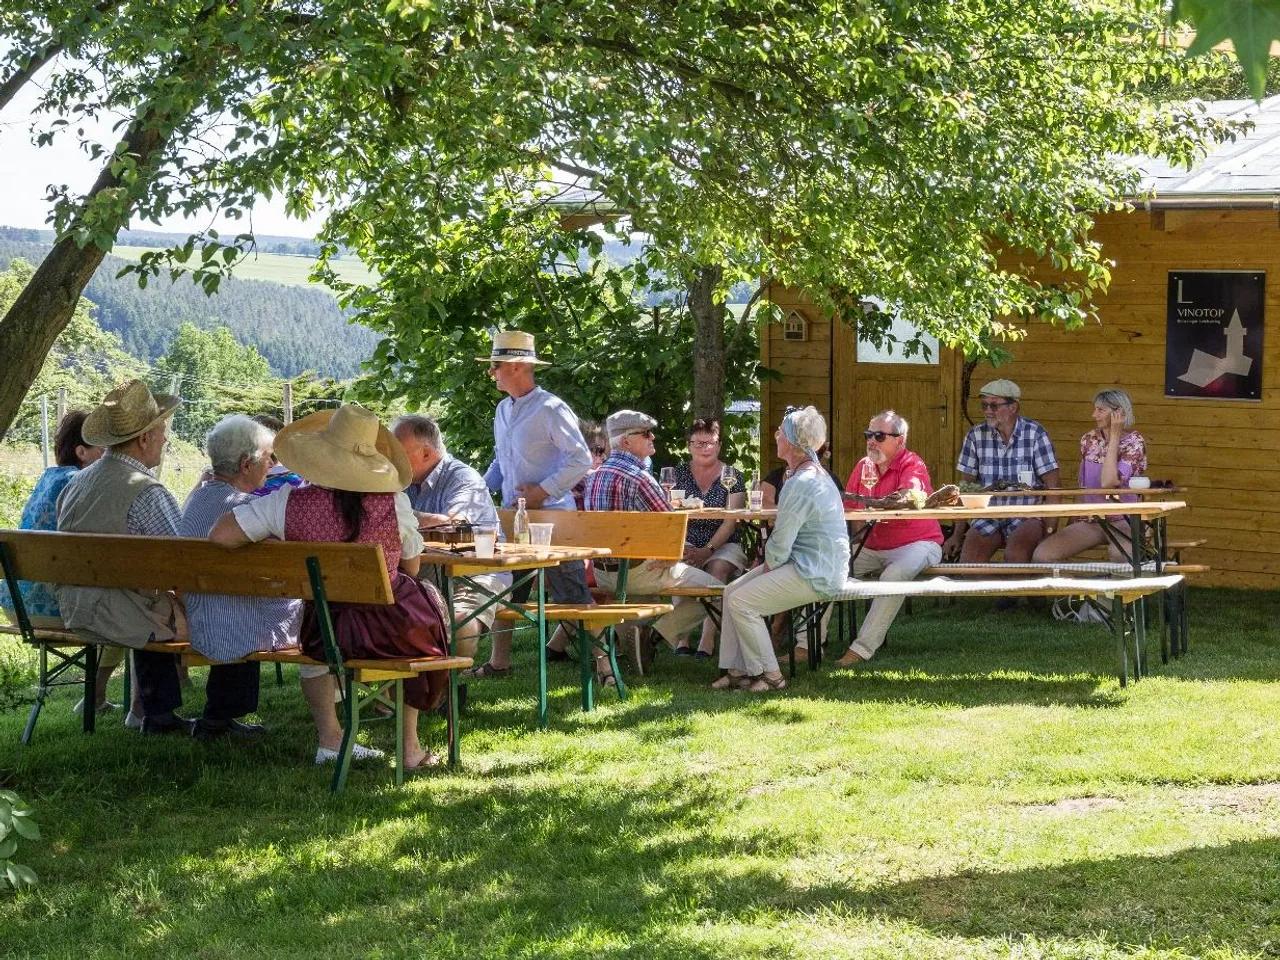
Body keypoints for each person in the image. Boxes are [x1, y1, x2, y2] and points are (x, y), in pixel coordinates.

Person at [210, 404, 450, 771]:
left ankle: (329, 740)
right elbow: (412, 566)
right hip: (388, 632)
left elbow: (222, 535)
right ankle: (410, 749)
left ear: (322, 455)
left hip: (324, 632)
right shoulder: (393, 502)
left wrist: (282, 545)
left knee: (317, 617)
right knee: (426, 612)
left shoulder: (288, 502)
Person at [55, 380, 233, 736]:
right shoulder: (145, 490)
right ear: (144, 439)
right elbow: (180, 562)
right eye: (163, 432)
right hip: (121, 612)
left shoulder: (78, 481)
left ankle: (151, 710)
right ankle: (212, 717)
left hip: (75, 603)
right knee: (234, 607)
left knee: (154, 598)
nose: (166, 440)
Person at [472, 330, 593, 678]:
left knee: (570, 591)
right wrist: (476, 494)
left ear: (518, 366)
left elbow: (581, 459)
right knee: (509, 589)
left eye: (495, 365)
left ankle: (604, 664)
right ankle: (499, 664)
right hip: (514, 517)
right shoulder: (502, 410)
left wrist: (543, 490)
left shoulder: (550, 408)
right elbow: (500, 463)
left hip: (552, 518)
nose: (491, 372)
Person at [0, 410, 128, 719]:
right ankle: (102, 696)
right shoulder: (82, 482)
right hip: (53, 609)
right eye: (102, 447)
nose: (108, 454)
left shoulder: (48, 477)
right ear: (81, 452)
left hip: (16, 604)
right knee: (129, 611)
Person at [714, 407, 850, 693]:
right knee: (732, 592)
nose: (776, 435)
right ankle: (738, 670)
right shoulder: (806, 476)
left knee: (743, 602)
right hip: (807, 564)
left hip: (817, 571)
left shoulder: (801, 482)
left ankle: (770, 675)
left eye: (780, 431)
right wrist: (766, 566)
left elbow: (781, 543)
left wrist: (766, 566)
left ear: (792, 441)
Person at [177, 415, 294, 742]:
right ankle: (219, 718)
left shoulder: (197, 499)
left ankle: (220, 716)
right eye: (269, 457)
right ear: (246, 464)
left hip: (199, 609)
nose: (272, 465)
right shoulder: (245, 510)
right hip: (232, 617)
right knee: (308, 608)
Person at [583, 410, 723, 675]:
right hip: (638, 572)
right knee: (719, 592)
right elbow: (670, 530)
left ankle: (637, 643)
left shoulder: (594, 477)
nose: (652, 437)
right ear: (626, 441)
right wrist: (674, 557)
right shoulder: (640, 478)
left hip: (603, 574)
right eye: (646, 434)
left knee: (643, 592)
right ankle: (656, 636)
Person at [394, 413, 511, 661]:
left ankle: (442, 692)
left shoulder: (462, 477)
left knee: (459, 626)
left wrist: (398, 513)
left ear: (426, 454)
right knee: (382, 621)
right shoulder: (401, 482)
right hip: (423, 574)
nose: (393, 461)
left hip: (475, 572)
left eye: (399, 453)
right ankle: (415, 693)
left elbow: (454, 524)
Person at [835, 411, 944, 666]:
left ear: (900, 440)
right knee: (827, 564)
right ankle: (807, 645)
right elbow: (852, 509)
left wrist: (900, 498)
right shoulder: (864, 466)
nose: (871, 441)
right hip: (872, 545)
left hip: (918, 543)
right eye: (869, 435)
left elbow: (912, 493)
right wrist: (850, 546)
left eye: (879, 436)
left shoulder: (912, 463)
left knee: (893, 576)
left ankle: (861, 649)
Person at [943, 378, 1061, 563]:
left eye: (994, 406)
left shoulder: (1035, 434)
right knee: (970, 561)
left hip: (1027, 513)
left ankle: (1020, 592)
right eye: (984, 406)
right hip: (988, 512)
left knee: (1016, 556)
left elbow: (1053, 487)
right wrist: (957, 534)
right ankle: (995, 591)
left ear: (1013, 407)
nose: (988, 411)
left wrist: (1050, 532)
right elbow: (964, 488)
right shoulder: (975, 436)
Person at [1033, 389, 1148, 562]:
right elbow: (1083, 482)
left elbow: (1108, 482)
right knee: (1043, 555)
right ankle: (1078, 590)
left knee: (1121, 556)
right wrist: (1075, 517)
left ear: (1119, 413)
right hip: (1091, 520)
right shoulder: (1089, 439)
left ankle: (1115, 590)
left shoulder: (1134, 442)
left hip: (1124, 520)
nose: (1094, 414)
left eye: (1100, 410)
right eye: (1095, 409)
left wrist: (1115, 436)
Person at [671, 418, 745, 657]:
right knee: (679, 568)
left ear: (719, 445)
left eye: (710, 443)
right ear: (689, 445)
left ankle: (707, 638)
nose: (705, 448)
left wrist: (709, 549)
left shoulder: (732, 475)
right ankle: (681, 637)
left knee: (718, 569)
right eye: (698, 443)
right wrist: (684, 547)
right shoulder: (677, 474)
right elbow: (671, 515)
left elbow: (730, 521)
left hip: (723, 542)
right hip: (687, 539)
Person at [572, 419, 609, 511]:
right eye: (599, 451)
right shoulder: (585, 475)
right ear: (583, 450)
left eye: (604, 452)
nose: (604, 457)